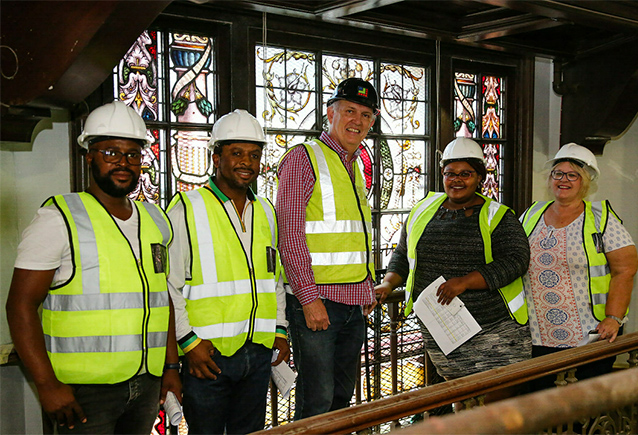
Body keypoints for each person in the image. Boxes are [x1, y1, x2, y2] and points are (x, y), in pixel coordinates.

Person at [5, 100, 181, 434]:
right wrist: (46, 385)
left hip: (146, 383)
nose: (123, 163)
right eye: (110, 152)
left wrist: (171, 367)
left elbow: (163, 298)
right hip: (82, 391)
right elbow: (20, 305)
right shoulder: (58, 219)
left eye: (132, 154)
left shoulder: (156, 220)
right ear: (89, 155)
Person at [375, 138, 531, 401]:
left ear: (480, 177)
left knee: (499, 412)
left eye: (465, 174)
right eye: (450, 173)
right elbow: (404, 254)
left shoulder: (498, 215)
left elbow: (516, 260)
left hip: (494, 331)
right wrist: (388, 284)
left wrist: (466, 282)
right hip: (442, 330)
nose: (456, 180)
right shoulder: (423, 210)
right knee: (462, 406)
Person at [166, 109, 290, 434]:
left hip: (258, 353)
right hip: (207, 356)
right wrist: (188, 343)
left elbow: (273, 279)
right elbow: (169, 286)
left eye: (254, 155)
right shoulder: (187, 208)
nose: (246, 162)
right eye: (236, 153)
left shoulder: (265, 211)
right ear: (216, 156)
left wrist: (280, 329)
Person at [276, 77, 378, 419]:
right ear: (330, 114)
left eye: (366, 115)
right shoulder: (304, 158)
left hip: (353, 306)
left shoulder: (354, 166)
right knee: (315, 402)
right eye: (349, 111)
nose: (357, 121)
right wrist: (308, 298)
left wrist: (366, 288)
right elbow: (289, 235)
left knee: (340, 400)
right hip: (318, 305)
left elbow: (354, 237)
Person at [520, 143, 638, 391]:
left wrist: (613, 318)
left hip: (587, 335)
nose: (564, 180)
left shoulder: (601, 219)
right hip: (535, 334)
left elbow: (625, 269)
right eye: (558, 173)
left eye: (572, 175)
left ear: (585, 182)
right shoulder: (531, 214)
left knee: (580, 411)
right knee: (540, 407)